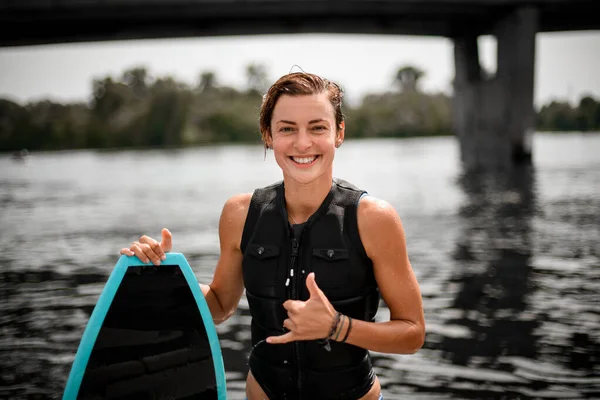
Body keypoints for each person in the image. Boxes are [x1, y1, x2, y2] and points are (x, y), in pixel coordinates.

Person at [120, 72, 426, 400]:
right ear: (268, 135)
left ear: (339, 133)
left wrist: (337, 326)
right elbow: (221, 305)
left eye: (317, 127)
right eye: (287, 129)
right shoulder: (240, 213)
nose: (303, 143)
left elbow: (412, 333)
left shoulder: (373, 218)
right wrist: (166, 275)